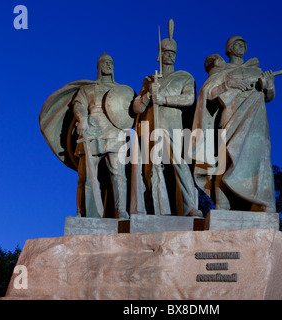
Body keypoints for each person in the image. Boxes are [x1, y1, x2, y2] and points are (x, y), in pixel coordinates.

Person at [192, 36, 277, 213]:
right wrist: (229, 83)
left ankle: (261, 202)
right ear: (229, 49)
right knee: (226, 158)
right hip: (231, 116)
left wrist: (269, 85)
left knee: (260, 157)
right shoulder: (221, 70)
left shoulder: (256, 70)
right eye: (237, 44)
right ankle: (223, 204)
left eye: (243, 44)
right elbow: (208, 93)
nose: (241, 47)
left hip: (257, 119)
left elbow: (269, 96)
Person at [130, 21, 201, 217]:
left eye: (172, 53)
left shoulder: (184, 77)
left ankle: (190, 207)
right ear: (159, 54)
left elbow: (189, 99)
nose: (169, 56)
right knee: (152, 169)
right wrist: (147, 95)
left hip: (174, 127)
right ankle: (155, 210)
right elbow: (137, 107)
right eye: (165, 52)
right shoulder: (150, 79)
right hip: (152, 129)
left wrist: (164, 99)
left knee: (180, 165)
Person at [73, 52, 130, 219]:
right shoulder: (88, 89)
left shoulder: (120, 90)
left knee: (119, 175)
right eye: (105, 63)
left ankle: (121, 210)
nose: (108, 65)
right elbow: (79, 104)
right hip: (92, 132)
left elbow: (131, 110)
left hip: (114, 133)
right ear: (98, 67)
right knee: (86, 177)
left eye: (111, 63)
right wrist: (82, 119)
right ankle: (83, 213)